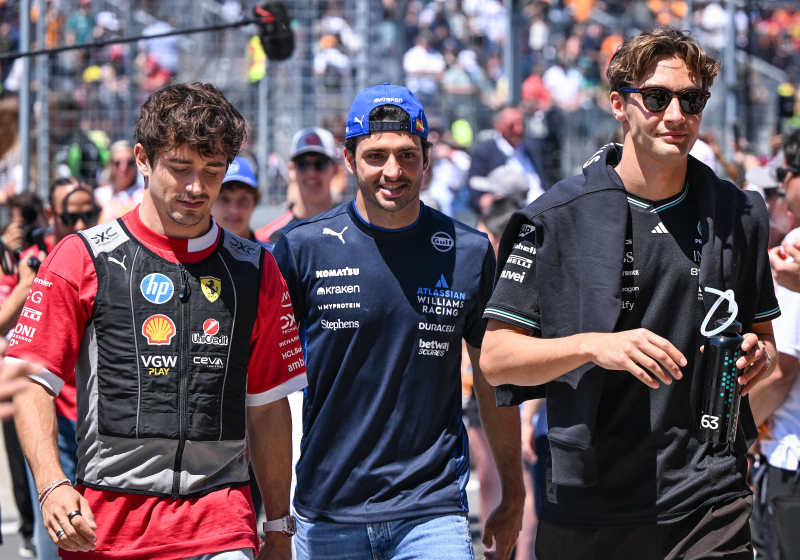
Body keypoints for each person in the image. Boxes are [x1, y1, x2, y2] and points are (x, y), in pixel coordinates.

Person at [480, 27, 780, 558]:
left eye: (691, 101)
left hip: (710, 496)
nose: (675, 115)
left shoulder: (740, 214)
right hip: (590, 501)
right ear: (620, 104)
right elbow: (499, 360)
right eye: (658, 98)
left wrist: (759, 356)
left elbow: (762, 339)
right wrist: (595, 345)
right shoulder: (554, 218)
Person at [6, 82, 307, 560]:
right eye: (181, 167)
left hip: (221, 525)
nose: (196, 187)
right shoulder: (82, 257)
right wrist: (50, 484)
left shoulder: (256, 269)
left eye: (212, 172)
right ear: (143, 159)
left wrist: (278, 526)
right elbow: (26, 380)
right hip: (104, 527)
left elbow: (268, 406)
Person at [273, 83, 524, 560]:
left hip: (432, 512)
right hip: (327, 513)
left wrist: (514, 493)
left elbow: (495, 377)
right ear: (349, 160)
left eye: (408, 155)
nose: (393, 171)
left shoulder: (470, 252)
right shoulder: (302, 248)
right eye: (376, 156)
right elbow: (262, 387)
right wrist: (272, 514)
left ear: (427, 159)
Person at [11, 178, 98, 560]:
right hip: (53, 418)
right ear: (50, 215)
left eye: (89, 215)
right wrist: (21, 285)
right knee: (57, 539)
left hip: (102, 427)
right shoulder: (27, 260)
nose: (81, 224)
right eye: (70, 216)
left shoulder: (109, 256)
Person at [750, 129, 800, 560]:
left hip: (790, 460)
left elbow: (781, 368)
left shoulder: (796, 248)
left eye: (786, 175)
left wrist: (737, 435)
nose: (781, 188)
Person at [255, 127, 337, 247]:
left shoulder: (354, 229)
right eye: (303, 164)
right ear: (292, 169)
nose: (311, 173)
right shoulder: (267, 239)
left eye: (320, 164)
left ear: (335, 170)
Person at [467, 107, 548, 214]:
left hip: (543, 210)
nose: (519, 129)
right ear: (497, 125)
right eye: (511, 125)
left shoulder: (531, 148)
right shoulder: (484, 153)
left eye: (521, 124)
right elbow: (476, 195)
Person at [212, 156, 264, 245]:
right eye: (224, 198)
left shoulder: (273, 256)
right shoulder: (190, 257)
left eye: (243, 199)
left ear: (255, 202)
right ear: (209, 202)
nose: (234, 210)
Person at [94, 140, 144, 222]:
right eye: (118, 163)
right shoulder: (99, 195)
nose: (124, 167)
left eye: (130, 162)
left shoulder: (142, 197)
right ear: (110, 165)